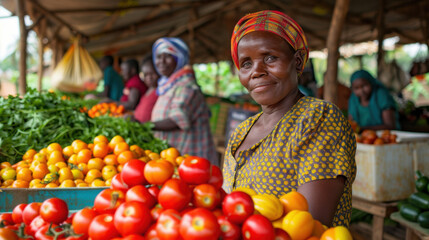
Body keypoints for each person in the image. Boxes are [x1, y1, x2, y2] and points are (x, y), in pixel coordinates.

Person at [223, 10, 356, 227]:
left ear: (297, 61)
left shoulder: (317, 118)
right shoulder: (242, 131)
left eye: (269, 58)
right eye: (246, 63)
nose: (256, 71)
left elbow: (310, 224)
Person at [150, 37, 218, 166]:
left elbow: (178, 119)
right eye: (159, 57)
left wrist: (146, 126)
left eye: (168, 56)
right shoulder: (169, 85)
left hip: (191, 158)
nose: (162, 62)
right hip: (175, 158)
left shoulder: (186, 86)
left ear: (179, 58)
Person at [132, 55, 160, 123]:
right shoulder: (148, 90)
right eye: (146, 75)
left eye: (152, 73)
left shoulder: (160, 91)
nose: (149, 78)